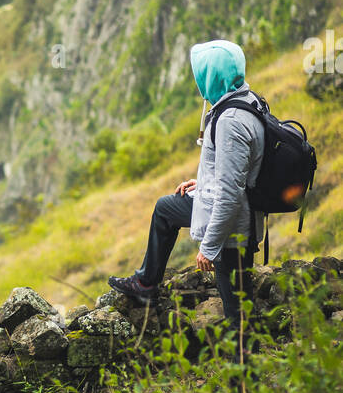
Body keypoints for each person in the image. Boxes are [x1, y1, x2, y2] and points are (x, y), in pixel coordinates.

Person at [108, 39, 265, 329]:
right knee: (166, 208)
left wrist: (209, 246)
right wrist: (203, 181)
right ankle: (145, 284)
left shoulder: (231, 121)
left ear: (212, 76)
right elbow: (236, 171)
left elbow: (231, 195)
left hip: (233, 229)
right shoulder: (244, 101)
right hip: (223, 206)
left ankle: (242, 373)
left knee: (237, 316)